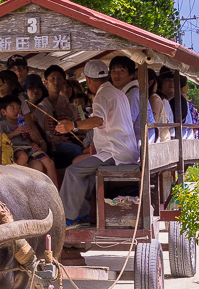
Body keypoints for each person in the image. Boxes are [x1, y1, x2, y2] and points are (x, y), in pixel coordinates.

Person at [56, 60, 140, 229]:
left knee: (73, 171)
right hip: (125, 150)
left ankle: (70, 217)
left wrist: (74, 125)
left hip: (114, 153)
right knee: (84, 172)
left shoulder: (102, 95)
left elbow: (98, 120)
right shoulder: (118, 93)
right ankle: (83, 215)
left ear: (88, 80)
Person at [0, 95, 58, 187]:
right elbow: (0, 140)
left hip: (29, 147)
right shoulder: (2, 124)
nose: (17, 110)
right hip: (15, 147)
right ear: (4, 112)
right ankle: (15, 184)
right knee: (22, 157)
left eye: (19, 108)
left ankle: (55, 192)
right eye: (12, 108)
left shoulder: (23, 123)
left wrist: (31, 136)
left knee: (50, 163)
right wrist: (15, 132)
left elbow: (35, 141)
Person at [41, 66, 83, 168]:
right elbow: (46, 132)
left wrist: (69, 113)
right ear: (46, 83)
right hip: (53, 141)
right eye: (52, 78)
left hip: (67, 139)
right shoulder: (43, 105)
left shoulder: (68, 103)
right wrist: (57, 138)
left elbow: (79, 128)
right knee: (77, 150)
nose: (56, 82)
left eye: (59, 78)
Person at [109, 55, 154, 142]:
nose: (116, 75)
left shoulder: (132, 94)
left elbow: (125, 126)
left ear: (131, 75)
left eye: (122, 71)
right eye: (113, 71)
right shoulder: (124, 93)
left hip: (138, 146)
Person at [147, 69, 173, 142]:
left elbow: (151, 124)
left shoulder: (154, 99)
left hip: (159, 141)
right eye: (168, 80)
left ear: (151, 82)